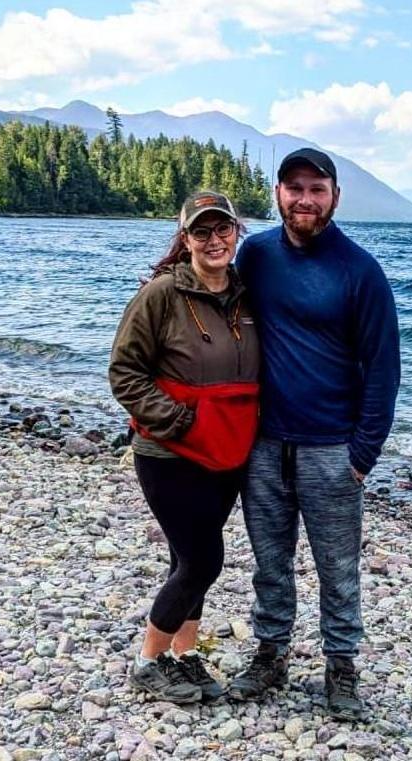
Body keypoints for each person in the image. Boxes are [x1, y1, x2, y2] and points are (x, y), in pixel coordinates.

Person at [229, 148, 401, 720]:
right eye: (294, 187)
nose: (305, 199)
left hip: (333, 450)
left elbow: (383, 368)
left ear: (334, 196)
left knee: (338, 569)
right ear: (277, 193)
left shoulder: (360, 270)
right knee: (269, 562)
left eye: (317, 188)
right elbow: (208, 297)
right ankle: (270, 655)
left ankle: (342, 668)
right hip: (263, 445)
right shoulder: (254, 256)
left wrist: (363, 455)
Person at [109, 190, 259, 704]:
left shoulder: (247, 294)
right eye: (202, 231)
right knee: (203, 559)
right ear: (185, 239)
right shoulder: (160, 295)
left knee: (185, 557)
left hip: (228, 450)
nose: (214, 240)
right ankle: (148, 660)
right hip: (169, 452)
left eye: (223, 229)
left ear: (237, 232)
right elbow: (124, 373)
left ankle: (185, 653)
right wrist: (177, 421)